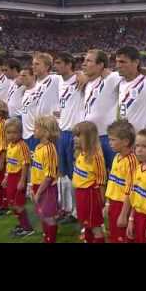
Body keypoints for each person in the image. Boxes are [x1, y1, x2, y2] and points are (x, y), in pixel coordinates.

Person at [54, 52, 82, 223]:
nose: (55, 66)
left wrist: (81, 74)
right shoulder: (59, 82)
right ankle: (67, 208)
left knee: (75, 174)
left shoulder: (79, 80)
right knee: (63, 173)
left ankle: (77, 211)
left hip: (74, 133)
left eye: (58, 62)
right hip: (62, 132)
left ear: (69, 64)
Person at [82, 49, 121, 171]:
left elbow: (137, 74)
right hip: (91, 138)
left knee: (111, 174)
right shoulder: (88, 84)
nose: (84, 64)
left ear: (100, 65)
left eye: (88, 61)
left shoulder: (111, 78)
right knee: (95, 176)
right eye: (84, 60)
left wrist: (110, 73)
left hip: (106, 137)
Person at [72, 121, 107, 243]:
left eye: (78, 135)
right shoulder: (80, 153)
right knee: (86, 224)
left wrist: (101, 201)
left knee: (94, 226)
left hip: (90, 195)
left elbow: (101, 180)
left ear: (88, 137)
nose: (75, 139)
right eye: (75, 135)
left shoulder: (96, 157)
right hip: (80, 193)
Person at [104, 120, 138, 243]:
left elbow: (130, 190)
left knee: (122, 237)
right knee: (113, 235)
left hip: (123, 206)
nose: (110, 143)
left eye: (113, 140)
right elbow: (112, 182)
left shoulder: (132, 161)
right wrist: (107, 203)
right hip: (113, 203)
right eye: (109, 139)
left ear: (125, 142)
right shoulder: (116, 157)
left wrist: (124, 214)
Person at [1, 118, 35, 238]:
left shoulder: (22, 146)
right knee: (12, 203)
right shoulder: (10, 145)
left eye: (14, 133)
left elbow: (25, 163)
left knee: (18, 204)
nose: (11, 135)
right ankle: (22, 224)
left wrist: (22, 180)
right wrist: (6, 177)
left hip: (18, 178)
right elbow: (9, 163)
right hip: (11, 177)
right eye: (9, 133)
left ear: (21, 133)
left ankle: (27, 228)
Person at [30, 115, 60, 243]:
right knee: (42, 214)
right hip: (38, 186)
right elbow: (36, 169)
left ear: (46, 132)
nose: (33, 130)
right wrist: (32, 186)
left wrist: (38, 193)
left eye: (36, 128)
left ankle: (50, 239)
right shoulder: (38, 147)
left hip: (46, 188)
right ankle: (46, 237)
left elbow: (49, 176)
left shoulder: (49, 149)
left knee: (48, 217)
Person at [115, 46, 146, 133]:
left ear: (136, 62)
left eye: (122, 62)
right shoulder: (118, 82)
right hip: (123, 138)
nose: (118, 65)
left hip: (141, 138)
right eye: (117, 62)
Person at [18, 67, 40, 153]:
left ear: (33, 76)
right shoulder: (24, 91)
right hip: (25, 133)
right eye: (20, 76)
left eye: (24, 75)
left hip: (34, 133)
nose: (21, 78)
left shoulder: (38, 91)